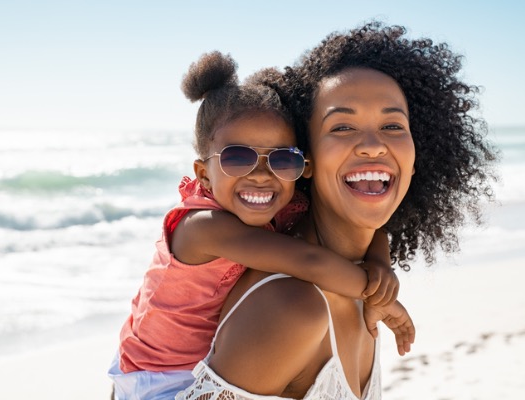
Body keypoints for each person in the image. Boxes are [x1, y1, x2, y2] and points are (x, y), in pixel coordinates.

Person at [177, 22, 498, 400]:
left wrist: (381, 266)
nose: (373, 145)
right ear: (306, 162)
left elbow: (373, 236)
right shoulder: (292, 307)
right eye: (343, 126)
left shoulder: (365, 284)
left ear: (415, 158)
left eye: (393, 124)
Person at [108, 51, 413, 400]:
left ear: (302, 165)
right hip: (156, 377)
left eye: (283, 159)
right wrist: (380, 295)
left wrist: (380, 264)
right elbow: (307, 261)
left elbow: (371, 229)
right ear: (204, 174)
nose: (263, 175)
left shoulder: (278, 207)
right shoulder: (203, 227)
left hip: (196, 363)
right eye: (238, 157)